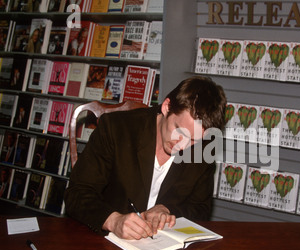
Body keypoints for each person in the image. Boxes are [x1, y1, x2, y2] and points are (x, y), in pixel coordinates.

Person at [64, 76, 227, 240]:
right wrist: (113, 221)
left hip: (162, 248)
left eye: (193, 140)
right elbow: (77, 193)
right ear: (166, 107)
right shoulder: (116, 129)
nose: (182, 146)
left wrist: (167, 209)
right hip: (107, 241)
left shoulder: (203, 150)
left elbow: (201, 209)